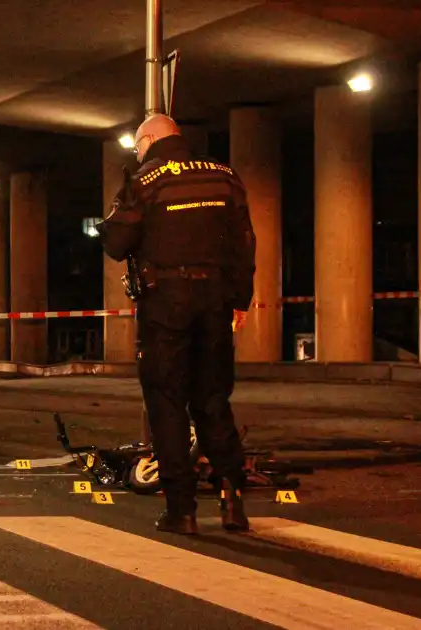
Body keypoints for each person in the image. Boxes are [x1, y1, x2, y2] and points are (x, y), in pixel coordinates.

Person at [98, 114, 257, 535]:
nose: (138, 153)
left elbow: (117, 244)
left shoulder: (147, 180)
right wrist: (240, 300)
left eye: (137, 147)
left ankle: (181, 509)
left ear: (149, 140)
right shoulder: (224, 177)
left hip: (166, 303)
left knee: (166, 401)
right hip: (216, 302)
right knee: (213, 398)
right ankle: (231, 499)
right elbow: (244, 242)